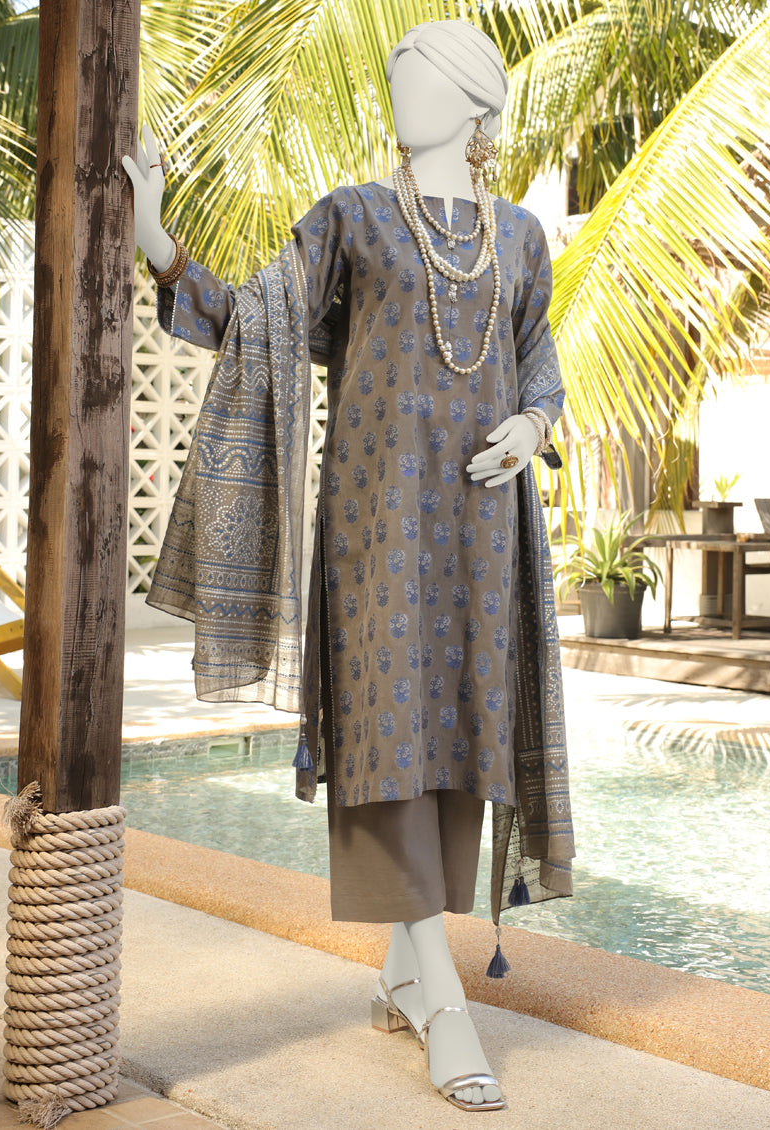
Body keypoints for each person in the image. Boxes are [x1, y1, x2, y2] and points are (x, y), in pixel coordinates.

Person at [124, 18, 574, 1113]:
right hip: (377, 533)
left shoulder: (520, 237)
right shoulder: (353, 219)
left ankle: (404, 976)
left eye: (419, 77)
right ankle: (446, 1004)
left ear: (473, 106)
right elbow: (258, 322)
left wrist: (530, 426)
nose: (398, 93)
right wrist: (155, 239)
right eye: (395, 75)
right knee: (385, 734)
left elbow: (538, 365)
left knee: (458, 736)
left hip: (482, 536)